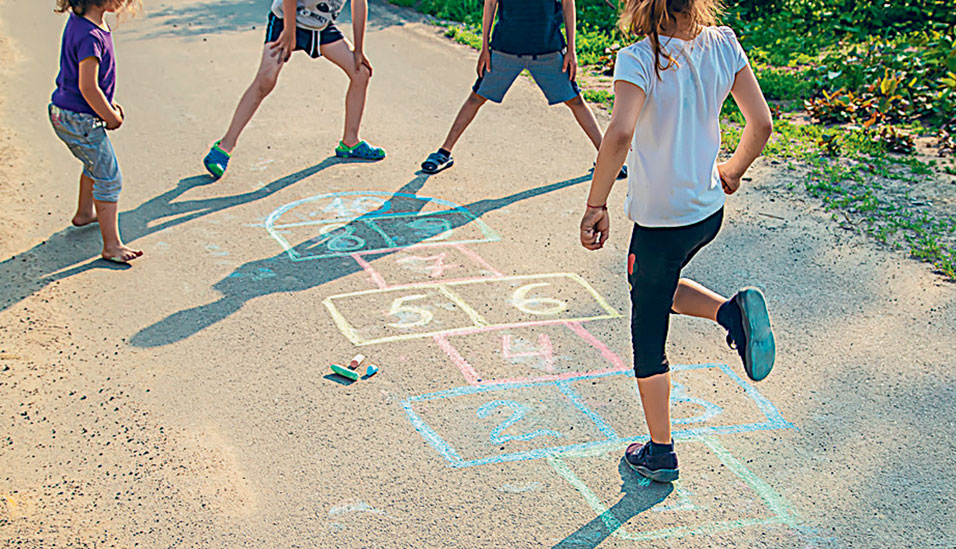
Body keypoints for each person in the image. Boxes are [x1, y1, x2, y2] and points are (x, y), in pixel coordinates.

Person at [578, 0, 776, 482]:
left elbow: (620, 133)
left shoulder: (638, 58)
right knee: (654, 284)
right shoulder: (723, 43)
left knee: (648, 334)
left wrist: (596, 204)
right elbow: (762, 124)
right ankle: (730, 313)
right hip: (707, 213)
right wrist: (733, 171)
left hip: (661, 223)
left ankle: (660, 452)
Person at [420, 0, 625, 179]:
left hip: (548, 51)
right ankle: (444, 153)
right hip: (505, 49)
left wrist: (572, 50)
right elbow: (490, 4)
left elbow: (567, 3)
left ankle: (606, 158)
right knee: (476, 98)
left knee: (576, 101)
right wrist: (484, 48)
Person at [202, 0, 384, 180]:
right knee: (266, 80)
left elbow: (359, 3)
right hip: (286, 21)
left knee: (361, 73)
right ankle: (224, 147)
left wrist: (358, 50)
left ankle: (350, 142)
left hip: (320, 26)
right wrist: (289, 32)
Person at [49, 0, 143, 264]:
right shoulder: (90, 36)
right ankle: (112, 246)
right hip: (80, 119)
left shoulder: (81, 22)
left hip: (66, 112)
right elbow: (88, 87)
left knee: (93, 162)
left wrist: (107, 104)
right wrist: (110, 116)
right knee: (109, 178)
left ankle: (84, 213)